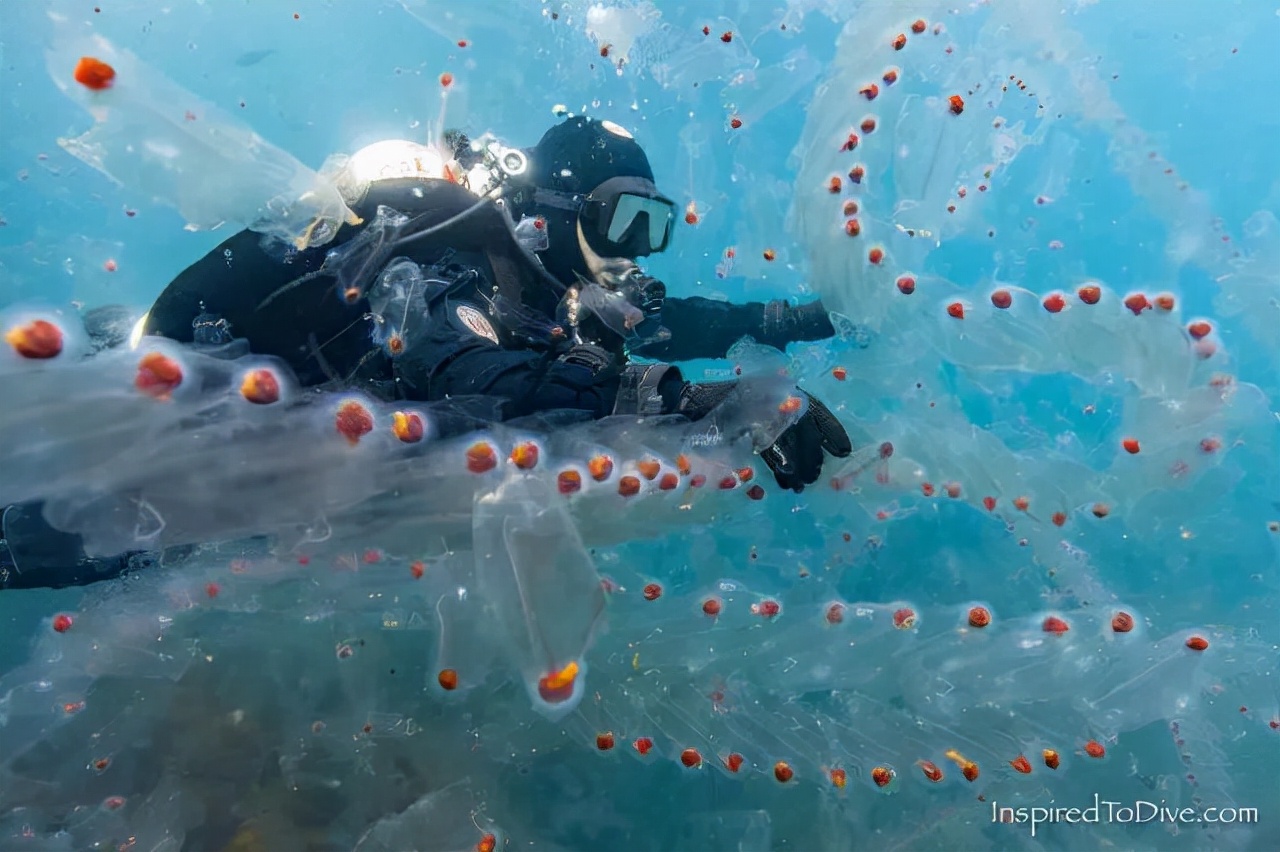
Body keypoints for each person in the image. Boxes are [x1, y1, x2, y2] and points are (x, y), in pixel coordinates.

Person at [1, 116, 850, 590]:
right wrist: (693, 401)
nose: (640, 252)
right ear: (554, 211)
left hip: (226, 474)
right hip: (149, 453)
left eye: (654, 229)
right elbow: (479, 385)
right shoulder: (445, 253)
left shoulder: (559, 304)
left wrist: (817, 316)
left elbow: (694, 324)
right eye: (624, 221)